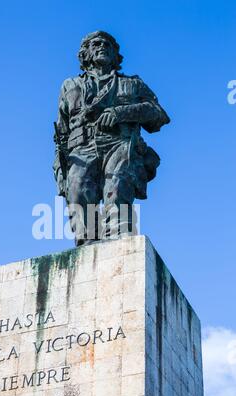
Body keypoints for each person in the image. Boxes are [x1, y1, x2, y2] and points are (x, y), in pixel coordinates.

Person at [53, 31, 170, 246]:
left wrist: (120, 113)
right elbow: (61, 134)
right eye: (96, 44)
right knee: (78, 194)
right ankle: (88, 250)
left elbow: (159, 115)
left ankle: (121, 248)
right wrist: (60, 171)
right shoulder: (69, 86)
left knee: (117, 190)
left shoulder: (132, 84)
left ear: (116, 55)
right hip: (81, 149)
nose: (102, 46)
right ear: (85, 54)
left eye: (108, 44)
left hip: (119, 145)